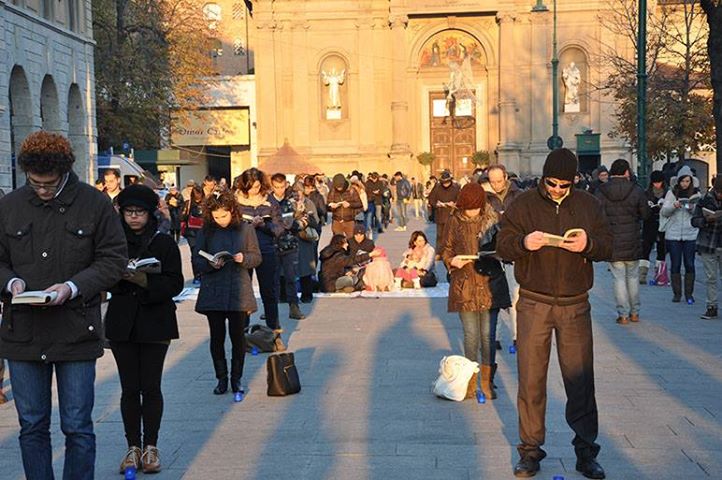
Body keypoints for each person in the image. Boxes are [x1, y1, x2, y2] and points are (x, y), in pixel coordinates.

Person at [0, 131, 127, 480]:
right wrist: (10, 282)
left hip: (75, 330)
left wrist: (72, 287)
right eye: (34, 183)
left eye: (49, 184)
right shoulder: (9, 206)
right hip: (22, 332)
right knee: (32, 426)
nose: (41, 190)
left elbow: (114, 259)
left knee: (77, 426)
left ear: (65, 172)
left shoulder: (94, 204)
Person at [497, 148, 612, 479]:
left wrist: (588, 244)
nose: (558, 190)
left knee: (580, 380)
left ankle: (586, 451)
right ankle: (530, 450)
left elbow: (608, 245)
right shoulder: (523, 204)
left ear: (574, 181)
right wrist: (524, 242)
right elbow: (503, 245)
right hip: (534, 301)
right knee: (531, 378)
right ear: (543, 178)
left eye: (565, 184)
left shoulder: (588, 205)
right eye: (552, 183)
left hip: (576, 304)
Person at [105, 185, 184, 475]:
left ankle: (151, 446)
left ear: (150, 214)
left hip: (155, 321)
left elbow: (176, 283)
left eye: (139, 213)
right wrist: (123, 276)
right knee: (129, 388)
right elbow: (103, 279)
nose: (134, 218)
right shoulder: (112, 243)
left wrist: (145, 281)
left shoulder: (164, 243)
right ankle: (132, 447)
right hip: (122, 322)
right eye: (129, 212)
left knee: (151, 386)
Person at [441, 183, 509, 402]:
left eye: (475, 208)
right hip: (465, 284)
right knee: (471, 335)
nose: (471, 213)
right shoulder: (454, 220)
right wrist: (452, 261)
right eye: (468, 209)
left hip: (490, 282)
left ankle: (488, 382)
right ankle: (470, 382)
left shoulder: (493, 220)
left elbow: (507, 248)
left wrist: (498, 253)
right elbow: (447, 249)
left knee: (488, 336)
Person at [192, 191, 262, 396]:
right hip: (213, 288)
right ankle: (221, 378)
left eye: (224, 215)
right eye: (216, 217)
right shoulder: (206, 231)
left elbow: (257, 257)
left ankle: (236, 379)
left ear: (232, 211)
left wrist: (243, 259)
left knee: (238, 336)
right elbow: (197, 260)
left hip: (238, 288)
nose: (220, 220)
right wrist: (209, 264)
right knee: (217, 337)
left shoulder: (246, 229)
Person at [234, 168, 287, 350]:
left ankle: (274, 334)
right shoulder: (235, 200)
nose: (254, 191)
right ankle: (242, 338)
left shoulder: (269, 200)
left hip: (265, 250)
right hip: (243, 251)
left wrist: (264, 225)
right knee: (244, 294)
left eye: (257, 186)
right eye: (250, 187)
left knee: (269, 293)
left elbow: (279, 228)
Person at [595, 159, 650, 324]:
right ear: (626, 172)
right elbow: (645, 214)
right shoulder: (636, 190)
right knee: (632, 277)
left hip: (613, 239)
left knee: (618, 278)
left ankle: (623, 314)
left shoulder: (601, 190)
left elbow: (597, 215)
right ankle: (635, 312)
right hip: (632, 238)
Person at [485, 164, 523, 350]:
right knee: (495, 298)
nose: (496, 185)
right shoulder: (486, 198)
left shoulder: (519, 196)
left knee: (515, 298)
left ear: (506, 177)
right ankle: (496, 337)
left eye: (499, 181)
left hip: (513, 252)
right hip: (493, 254)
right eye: (492, 181)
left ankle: (517, 336)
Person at [660, 166, 700, 303]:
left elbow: (699, 215)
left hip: (690, 234)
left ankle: (689, 294)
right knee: (675, 264)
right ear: (678, 181)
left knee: (689, 264)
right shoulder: (671, 193)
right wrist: (674, 206)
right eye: (682, 181)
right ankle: (677, 294)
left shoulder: (696, 194)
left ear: (691, 181)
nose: (684, 184)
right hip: (673, 234)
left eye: (687, 181)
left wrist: (691, 209)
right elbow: (664, 212)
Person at [270, 173, 307, 320]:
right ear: (272, 186)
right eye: (276, 187)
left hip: (290, 244)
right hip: (271, 246)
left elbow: (305, 218)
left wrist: (295, 225)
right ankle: (270, 309)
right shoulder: (266, 202)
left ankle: (294, 306)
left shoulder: (293, 201)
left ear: (286, 185)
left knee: (291, 278)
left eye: (282, 186)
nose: (279, 190)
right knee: (272, 280)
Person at [692, 175, 722, 319]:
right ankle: (711, 306)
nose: (720, 195)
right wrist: (705, 220)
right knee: (711, 278)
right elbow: (694, 220)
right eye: (718, 192)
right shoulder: (705, 199)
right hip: (708, 243)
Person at [293, 183, 320, 303]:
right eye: (294, 191)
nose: (297, 194)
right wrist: (297, 215)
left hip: (306, 239)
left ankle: (307, 295)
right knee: (290, 269)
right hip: (293, 238)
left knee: (306, 268)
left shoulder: (309, 203)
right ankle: (289, 295)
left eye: (299, 191)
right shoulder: (289, 203)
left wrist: (306, 218)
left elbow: (316, 222)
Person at [640, 170, 667, 284]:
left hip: (663, 223)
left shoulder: (667, 193)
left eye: (659, 182)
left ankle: (660, 274)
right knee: (646, 248)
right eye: (655, 182)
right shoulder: (647, 193)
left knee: (662, 249)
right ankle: (642, 275)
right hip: (649, 222)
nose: (657, 185)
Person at [427, 170, 461, 254]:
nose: (446, 184)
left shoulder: (456, 187)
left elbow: (460, 199)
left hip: (452, 214)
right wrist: (437, 204)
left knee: (452, 235)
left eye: (447, 182)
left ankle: (451, 252)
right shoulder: (437, 187)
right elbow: (431, 199)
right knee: (440, 235)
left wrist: (455, 204)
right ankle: (439, 253)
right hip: (440, 214)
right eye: (444, 183)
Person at [327, 173, 363, 239]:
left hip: (349, 220)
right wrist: (332, 207)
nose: (339, 188)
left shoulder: (352, 190)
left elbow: (359, 204)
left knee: (351, 241)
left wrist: (350, 204)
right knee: (338, 243)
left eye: (340, 186)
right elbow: (328, 203)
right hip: (336, 220)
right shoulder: (333, 190)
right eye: (337, 187)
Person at [182, 185, 205, 284]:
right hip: (191, 232)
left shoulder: (207, 203)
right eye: (196, 198)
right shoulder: (188, 203)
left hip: (204, 231)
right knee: (195, 253)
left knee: (204, 253)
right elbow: (182, 217)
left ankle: (203, 273)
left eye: (200, 197)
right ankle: (197, 275)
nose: (198, 200)